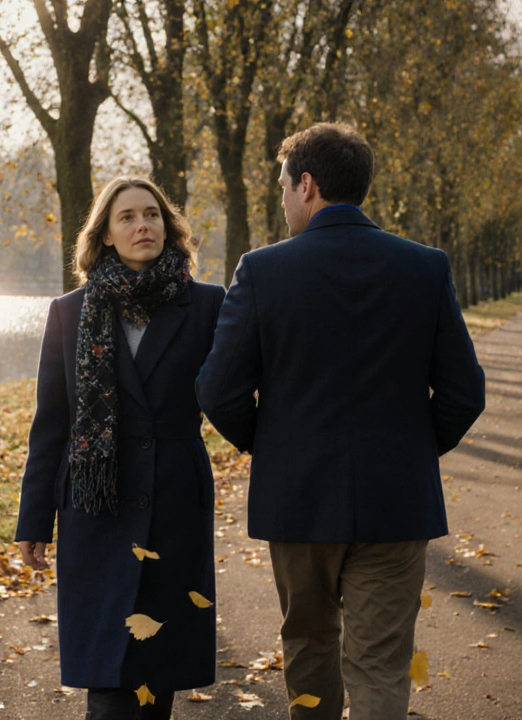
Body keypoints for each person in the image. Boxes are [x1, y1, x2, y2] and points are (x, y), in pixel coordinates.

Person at [196, 123, 487, 720]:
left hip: (298, 499)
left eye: (283, 186)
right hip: (397, 500)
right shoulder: (425, 267)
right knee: (380, 664)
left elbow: (218, 390)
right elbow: (464, 392)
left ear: (307, 185)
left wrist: (272, 446)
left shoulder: (261, 271)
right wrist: (412, 448)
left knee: (309, 645)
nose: (282, 200)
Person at [15, 177, 226, 720]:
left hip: (175, 501)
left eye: (152, 215)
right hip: (96, 508)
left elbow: (230, 393)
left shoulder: (207, 304)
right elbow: (51, 425)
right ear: (105, 234)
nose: (142, 226)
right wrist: (34, 520)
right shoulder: (70, 311)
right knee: (107, 678)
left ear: (168, 227)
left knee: (159, 671)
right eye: (127, 217)